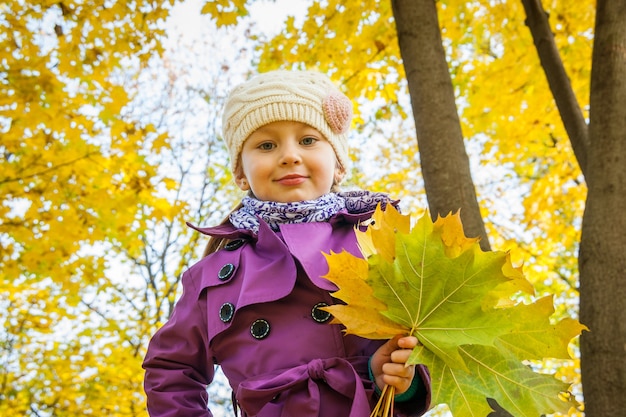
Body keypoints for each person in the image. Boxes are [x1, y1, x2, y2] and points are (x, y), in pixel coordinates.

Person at [142, 70, 431, 417]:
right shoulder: (211, 275)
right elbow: (171, 370)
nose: (289, 155)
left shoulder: (378, 243)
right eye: (266, 145)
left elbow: (426, 334)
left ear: (337, 164)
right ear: (240, 172)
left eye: (308, 140)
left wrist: (400, 380)